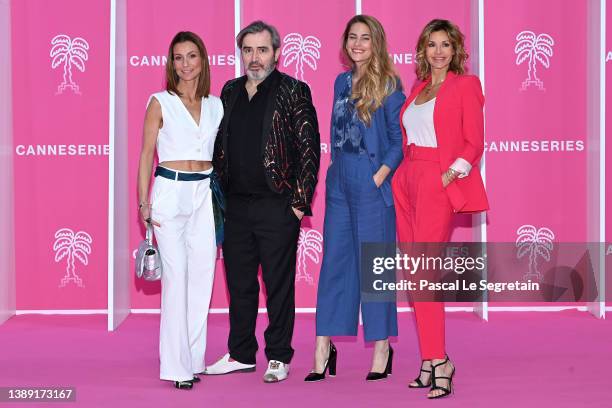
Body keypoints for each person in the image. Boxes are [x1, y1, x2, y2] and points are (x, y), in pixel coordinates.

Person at [205, 20, 320, 383]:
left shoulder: (293, 90)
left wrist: (298, 205)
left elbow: (309, 150)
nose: (254, 58)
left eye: (262, 50)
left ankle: (279, 356)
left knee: (278, 284)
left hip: (277, 205)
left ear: (276, 52)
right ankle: (241, 352)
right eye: (248, 50)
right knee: (239, 284)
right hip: (235, 206)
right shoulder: (229, 91)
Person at [304, 15, 405, 383]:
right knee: (334, 263)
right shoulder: (340, 81)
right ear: (345, 43)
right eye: (352, 37)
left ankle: (381, 346)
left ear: (376, 42)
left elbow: (398, 142)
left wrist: (379, 175)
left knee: (374, 268)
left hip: (370, 180)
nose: (358, 44)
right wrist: (333, 173)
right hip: (339, 181)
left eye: (365, 38)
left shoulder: (390, 85)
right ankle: (322, 344)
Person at [392, 19, 489, 399]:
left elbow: (474, 141)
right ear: (422, 50)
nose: (438, 52)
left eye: (445, 45)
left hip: (436, 180)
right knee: (415, 275)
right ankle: (429, 359)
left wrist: (450, 175)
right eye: (431, 45)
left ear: (455, 51)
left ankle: (440, 360)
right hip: (407, 180)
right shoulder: (416, 89)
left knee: (426, 275)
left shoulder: (465, 85)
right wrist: (403, 176)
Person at [137, 31, 223, 390]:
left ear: (202, 60)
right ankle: (177, 367)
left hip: (204, 193)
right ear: (171, 64)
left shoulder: (217, 104)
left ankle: (193, 356)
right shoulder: (159, 102)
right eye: (178, 57)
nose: (185, 64)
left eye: (191, 56)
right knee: (176, 280)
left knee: (202, 278)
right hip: (169, 194)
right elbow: (145, 155)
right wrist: (144, 202)